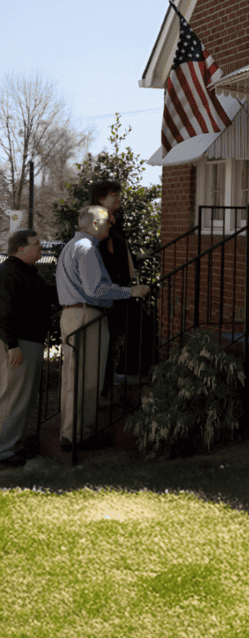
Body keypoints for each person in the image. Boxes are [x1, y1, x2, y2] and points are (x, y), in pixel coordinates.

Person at [55, 207, 149, 450]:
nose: (111, 226)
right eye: (108, 223)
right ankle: (79, 437)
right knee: (87, 379)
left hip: (73, 314)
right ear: (95, 223)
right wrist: (131, 291)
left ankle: (70, 434)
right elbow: (96, 289)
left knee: (73, 378)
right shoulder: (86, 249)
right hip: (87, 315)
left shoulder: (72, 246)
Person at [0, 230, 54, 467]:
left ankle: (12, 446)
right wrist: (12, 345)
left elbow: (45, 296)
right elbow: (4, 311)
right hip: (18, 343)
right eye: (37, 245)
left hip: (26, 341)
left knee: (21, 397)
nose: (41, 249)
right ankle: (4, 451)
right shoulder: (10, 272)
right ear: (21, 249)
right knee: (13, 397)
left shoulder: (26, 272)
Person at [90, 179, 136, 399]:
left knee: (115, 338)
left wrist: (132, 267)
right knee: (104, 341)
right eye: (112, 194)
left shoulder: (116, 222)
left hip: (120, 287)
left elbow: (121, 249)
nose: (118, 197)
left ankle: (106, 386)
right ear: (100, 198)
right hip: (106, 291)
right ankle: (102, 389)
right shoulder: (95, 222)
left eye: (118, 193)